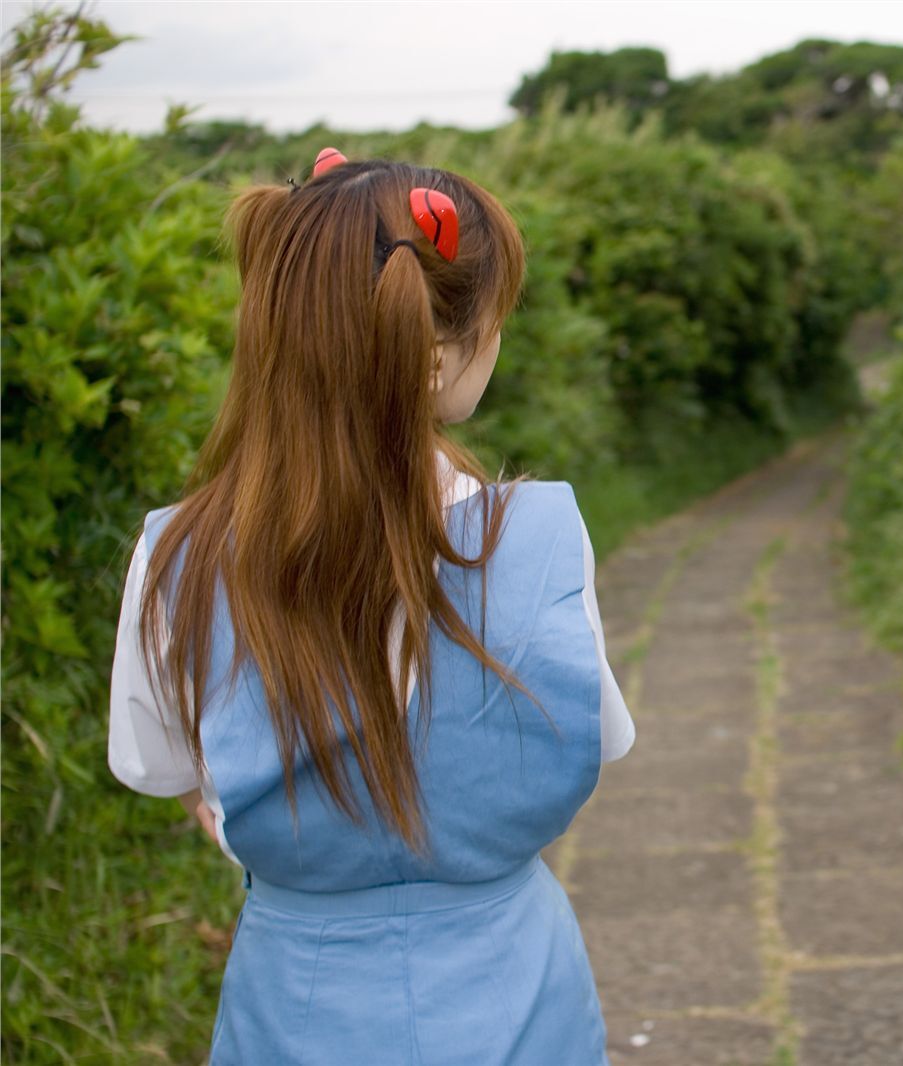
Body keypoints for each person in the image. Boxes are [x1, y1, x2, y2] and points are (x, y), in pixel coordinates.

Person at [105, 149, 634, 1064]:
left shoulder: (175, 557)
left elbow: (174, 771)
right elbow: (593, 740)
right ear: (438, 357)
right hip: (513, 980)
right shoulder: (543, 537)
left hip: (299, 995)